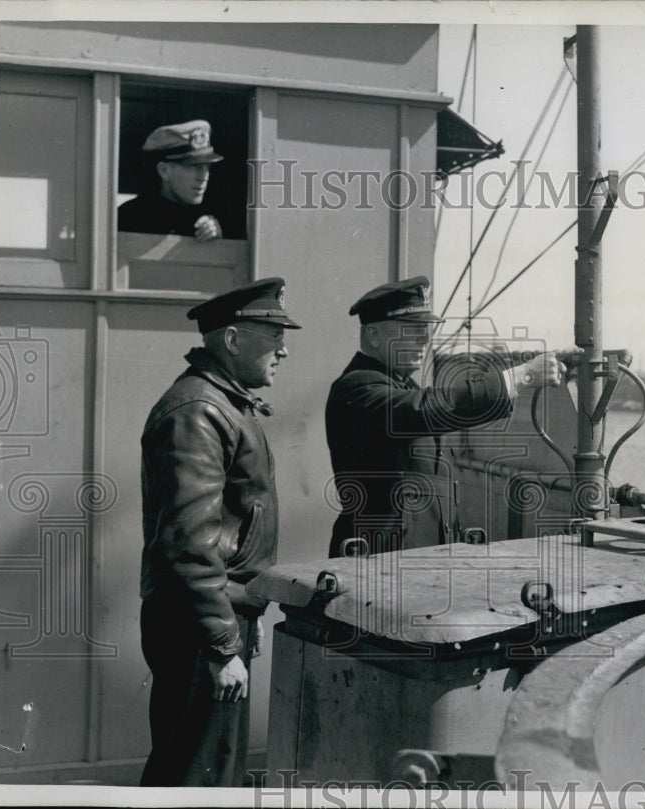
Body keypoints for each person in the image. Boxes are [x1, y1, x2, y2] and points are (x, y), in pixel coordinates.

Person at [139, 277, 300, 786]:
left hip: (213, 618)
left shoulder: (223, 404)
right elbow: (190, 545)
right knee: (195, 776)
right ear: (232, 340)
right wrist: (220, 645)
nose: (284, 350)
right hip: (199, 625)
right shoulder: (200, 411)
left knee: (207, 769)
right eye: (273, 337)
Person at [325, 275, 565, 557]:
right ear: (375, 335)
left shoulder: (404, 388)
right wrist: (520, 376)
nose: (425, 339)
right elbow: (430, 407)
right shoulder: (356, 388)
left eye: (425, 328)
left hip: (418, 559)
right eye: (411, 328)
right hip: (376, 563)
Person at [118, 119, 225, 241]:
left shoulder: (214, 218)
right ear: (164, 171)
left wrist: (218, 241)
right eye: (194, 166)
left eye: (207, 166)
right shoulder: (131, 217)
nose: (204, 176)